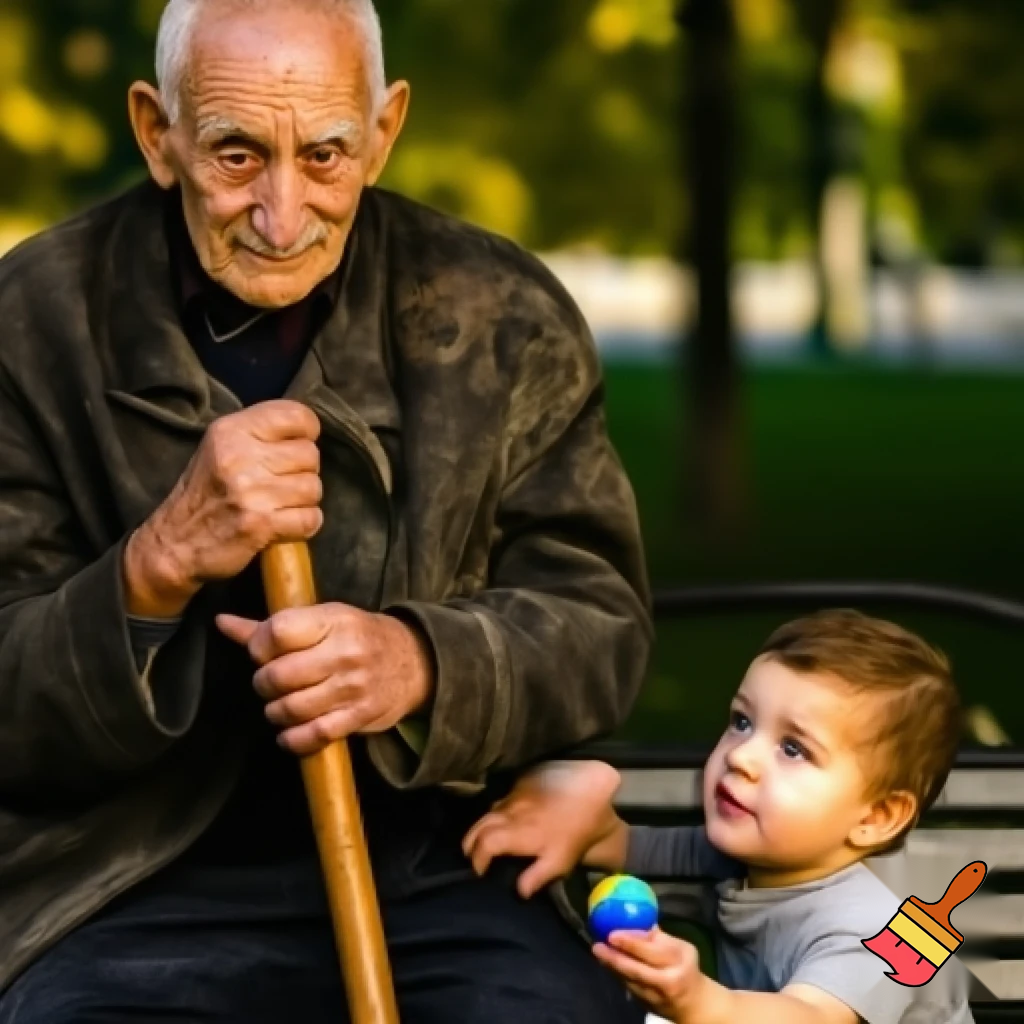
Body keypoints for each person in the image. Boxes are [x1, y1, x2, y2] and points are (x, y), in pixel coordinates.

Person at [0, 1, 652, 1021]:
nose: (281, 210)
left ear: (384, 132)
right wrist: (158, 563)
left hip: (435, 862)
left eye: (327, 154)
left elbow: (598, 626)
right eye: (234, 153)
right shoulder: (30, 320)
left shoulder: (497, 313)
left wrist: (422, 663)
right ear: (154, 131)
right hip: (115, 881)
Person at [465, 610, 976, 1024]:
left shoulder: (880, 932)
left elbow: (810, 1016)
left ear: (877, 816)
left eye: (794, 749)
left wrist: (702, 1004)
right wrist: (574, 818)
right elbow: (620, 844)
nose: (741, 756)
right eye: (742, 722)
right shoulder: (738, 857)